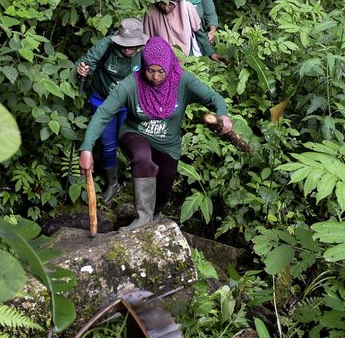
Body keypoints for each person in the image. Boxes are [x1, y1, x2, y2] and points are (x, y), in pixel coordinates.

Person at [79, 36, 232, 231]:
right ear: (143, 66)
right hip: (135, 133)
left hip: (168, 144)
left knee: (164, 188)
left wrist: (223, 115)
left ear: (169, 66)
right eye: (150, 70)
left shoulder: (182, 80)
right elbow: (103, 113)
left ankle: (154, 215)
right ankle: (143, 217)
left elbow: (213, 97)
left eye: (161, 71)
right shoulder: (131, 84)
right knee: (143, 158)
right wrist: (87, 148)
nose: (155, 76)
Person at [75, 18, 148, 203]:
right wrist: (83, 69)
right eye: (125, 45)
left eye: (132, 46)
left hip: (128, 102)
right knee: (107, 143)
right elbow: (86, 62)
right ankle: (112, 183)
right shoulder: (106, 46)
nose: (128, 49)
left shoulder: (147, 51)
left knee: (129, 142)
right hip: (102, 99)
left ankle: (137, 183)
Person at [143, 0, 223, 62]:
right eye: (162, 3)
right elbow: (145, 39)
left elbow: (199, 33)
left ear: (177, 1)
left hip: (186, 55)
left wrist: (211, 53)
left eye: (171, 4)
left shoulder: (187, 8)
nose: (166, 7)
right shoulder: (151, 10)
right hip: (159, 59)